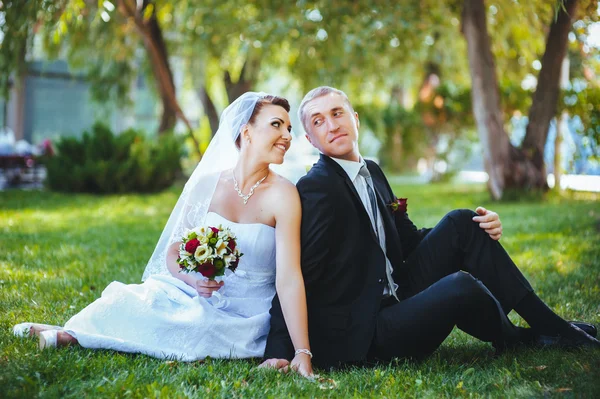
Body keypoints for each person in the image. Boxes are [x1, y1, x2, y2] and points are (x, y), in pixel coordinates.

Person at [262, 86, 599, 370]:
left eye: (337, 113)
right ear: (310, 138)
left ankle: (550, 326)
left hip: (398, 290)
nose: (331, 125)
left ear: (355, 120)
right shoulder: (318, 187)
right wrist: (281, 348)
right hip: (370, 327)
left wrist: (479, 228)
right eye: (318, 121)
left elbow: (407, 241)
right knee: (459, 286)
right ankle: (522, 338)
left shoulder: (373, 172)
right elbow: (296, 271)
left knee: (462, 222)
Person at [13, 92, 314, 377]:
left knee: (199, 325)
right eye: (276, 125)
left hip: (244, 312)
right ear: (245, 131)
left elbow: (288, 277)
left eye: (289, 128)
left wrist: (302, 351)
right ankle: (71, 330)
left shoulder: (284, 195)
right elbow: (174, 253)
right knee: (131, 298)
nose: (288, 136)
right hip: (195, 291)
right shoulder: (206, 184)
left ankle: (67, 337)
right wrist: (194, 280)